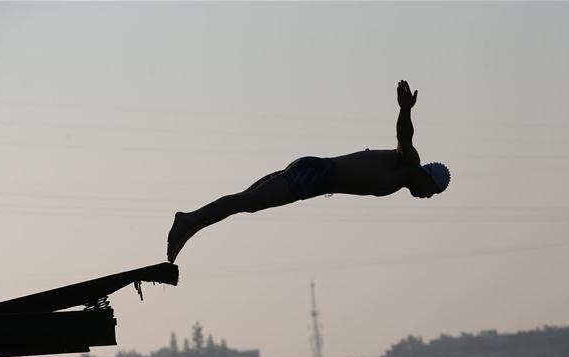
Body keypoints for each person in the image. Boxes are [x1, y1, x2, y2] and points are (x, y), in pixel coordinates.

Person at [166, 80, 451, 263]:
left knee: (246, 201)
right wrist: (405, 110)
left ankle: (191, 225)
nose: (426, 197)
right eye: (431, 192)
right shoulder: (409, 163)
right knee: (247, 203)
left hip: (314, 174)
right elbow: (405, 136)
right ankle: (188, 221)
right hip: (315, 175)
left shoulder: (402, 178)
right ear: (427, 178)